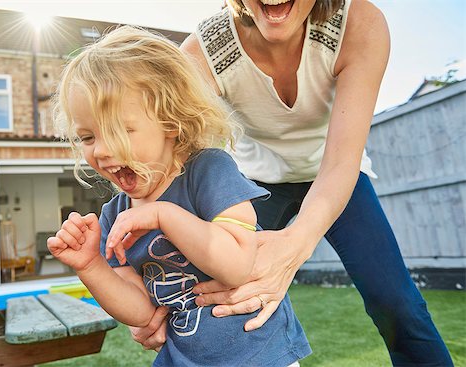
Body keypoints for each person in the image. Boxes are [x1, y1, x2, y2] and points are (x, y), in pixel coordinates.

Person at [129, 0, 454, 365]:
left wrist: (293, 248)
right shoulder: (201, 53)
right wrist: (142, 300)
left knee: (397, 303)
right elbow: (166, 161)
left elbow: (342, 161)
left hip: (335, 171)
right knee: (226, 290)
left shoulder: (359, 24)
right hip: (253, 183)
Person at [47, 26, 311, 366]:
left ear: (170, 121)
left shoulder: (208, 172)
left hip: (259, 353)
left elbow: (237, 267)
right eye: (86, 137)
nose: (102, 149)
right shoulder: (115, 216)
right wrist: (91, 266)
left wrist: (164, 216)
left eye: (119, 130)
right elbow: (143, 313)